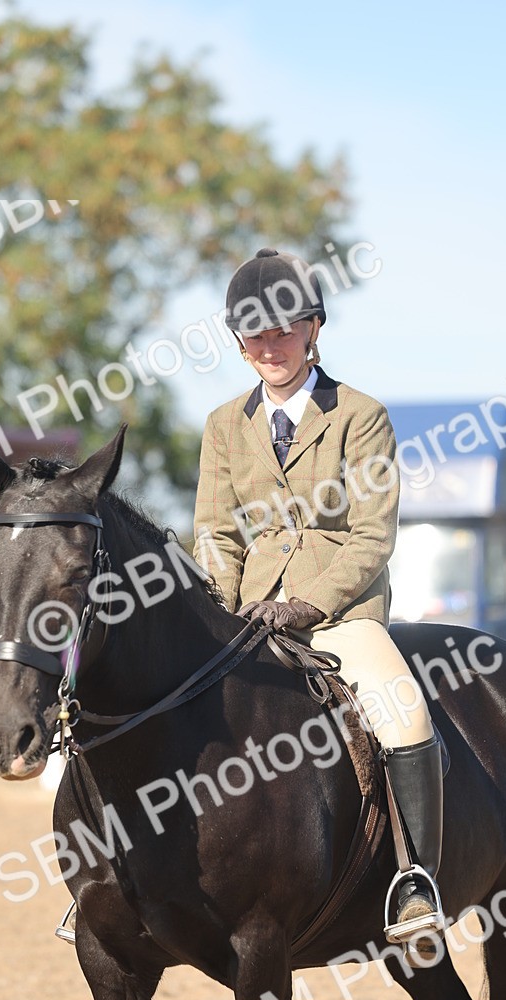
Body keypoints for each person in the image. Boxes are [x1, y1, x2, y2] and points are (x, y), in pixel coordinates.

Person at [193, 246, 444, 949]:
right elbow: (215, 533)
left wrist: (303, 605)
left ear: (314, 330)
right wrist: (215, 609)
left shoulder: (361, 416)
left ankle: (415, 879)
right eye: (255, 335)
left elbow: (371, 538)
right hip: (244, 614)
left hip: (337, 614)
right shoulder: (223, 426)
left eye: (283, 331)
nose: (269, 347)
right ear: (239, 344)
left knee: (401, 711)